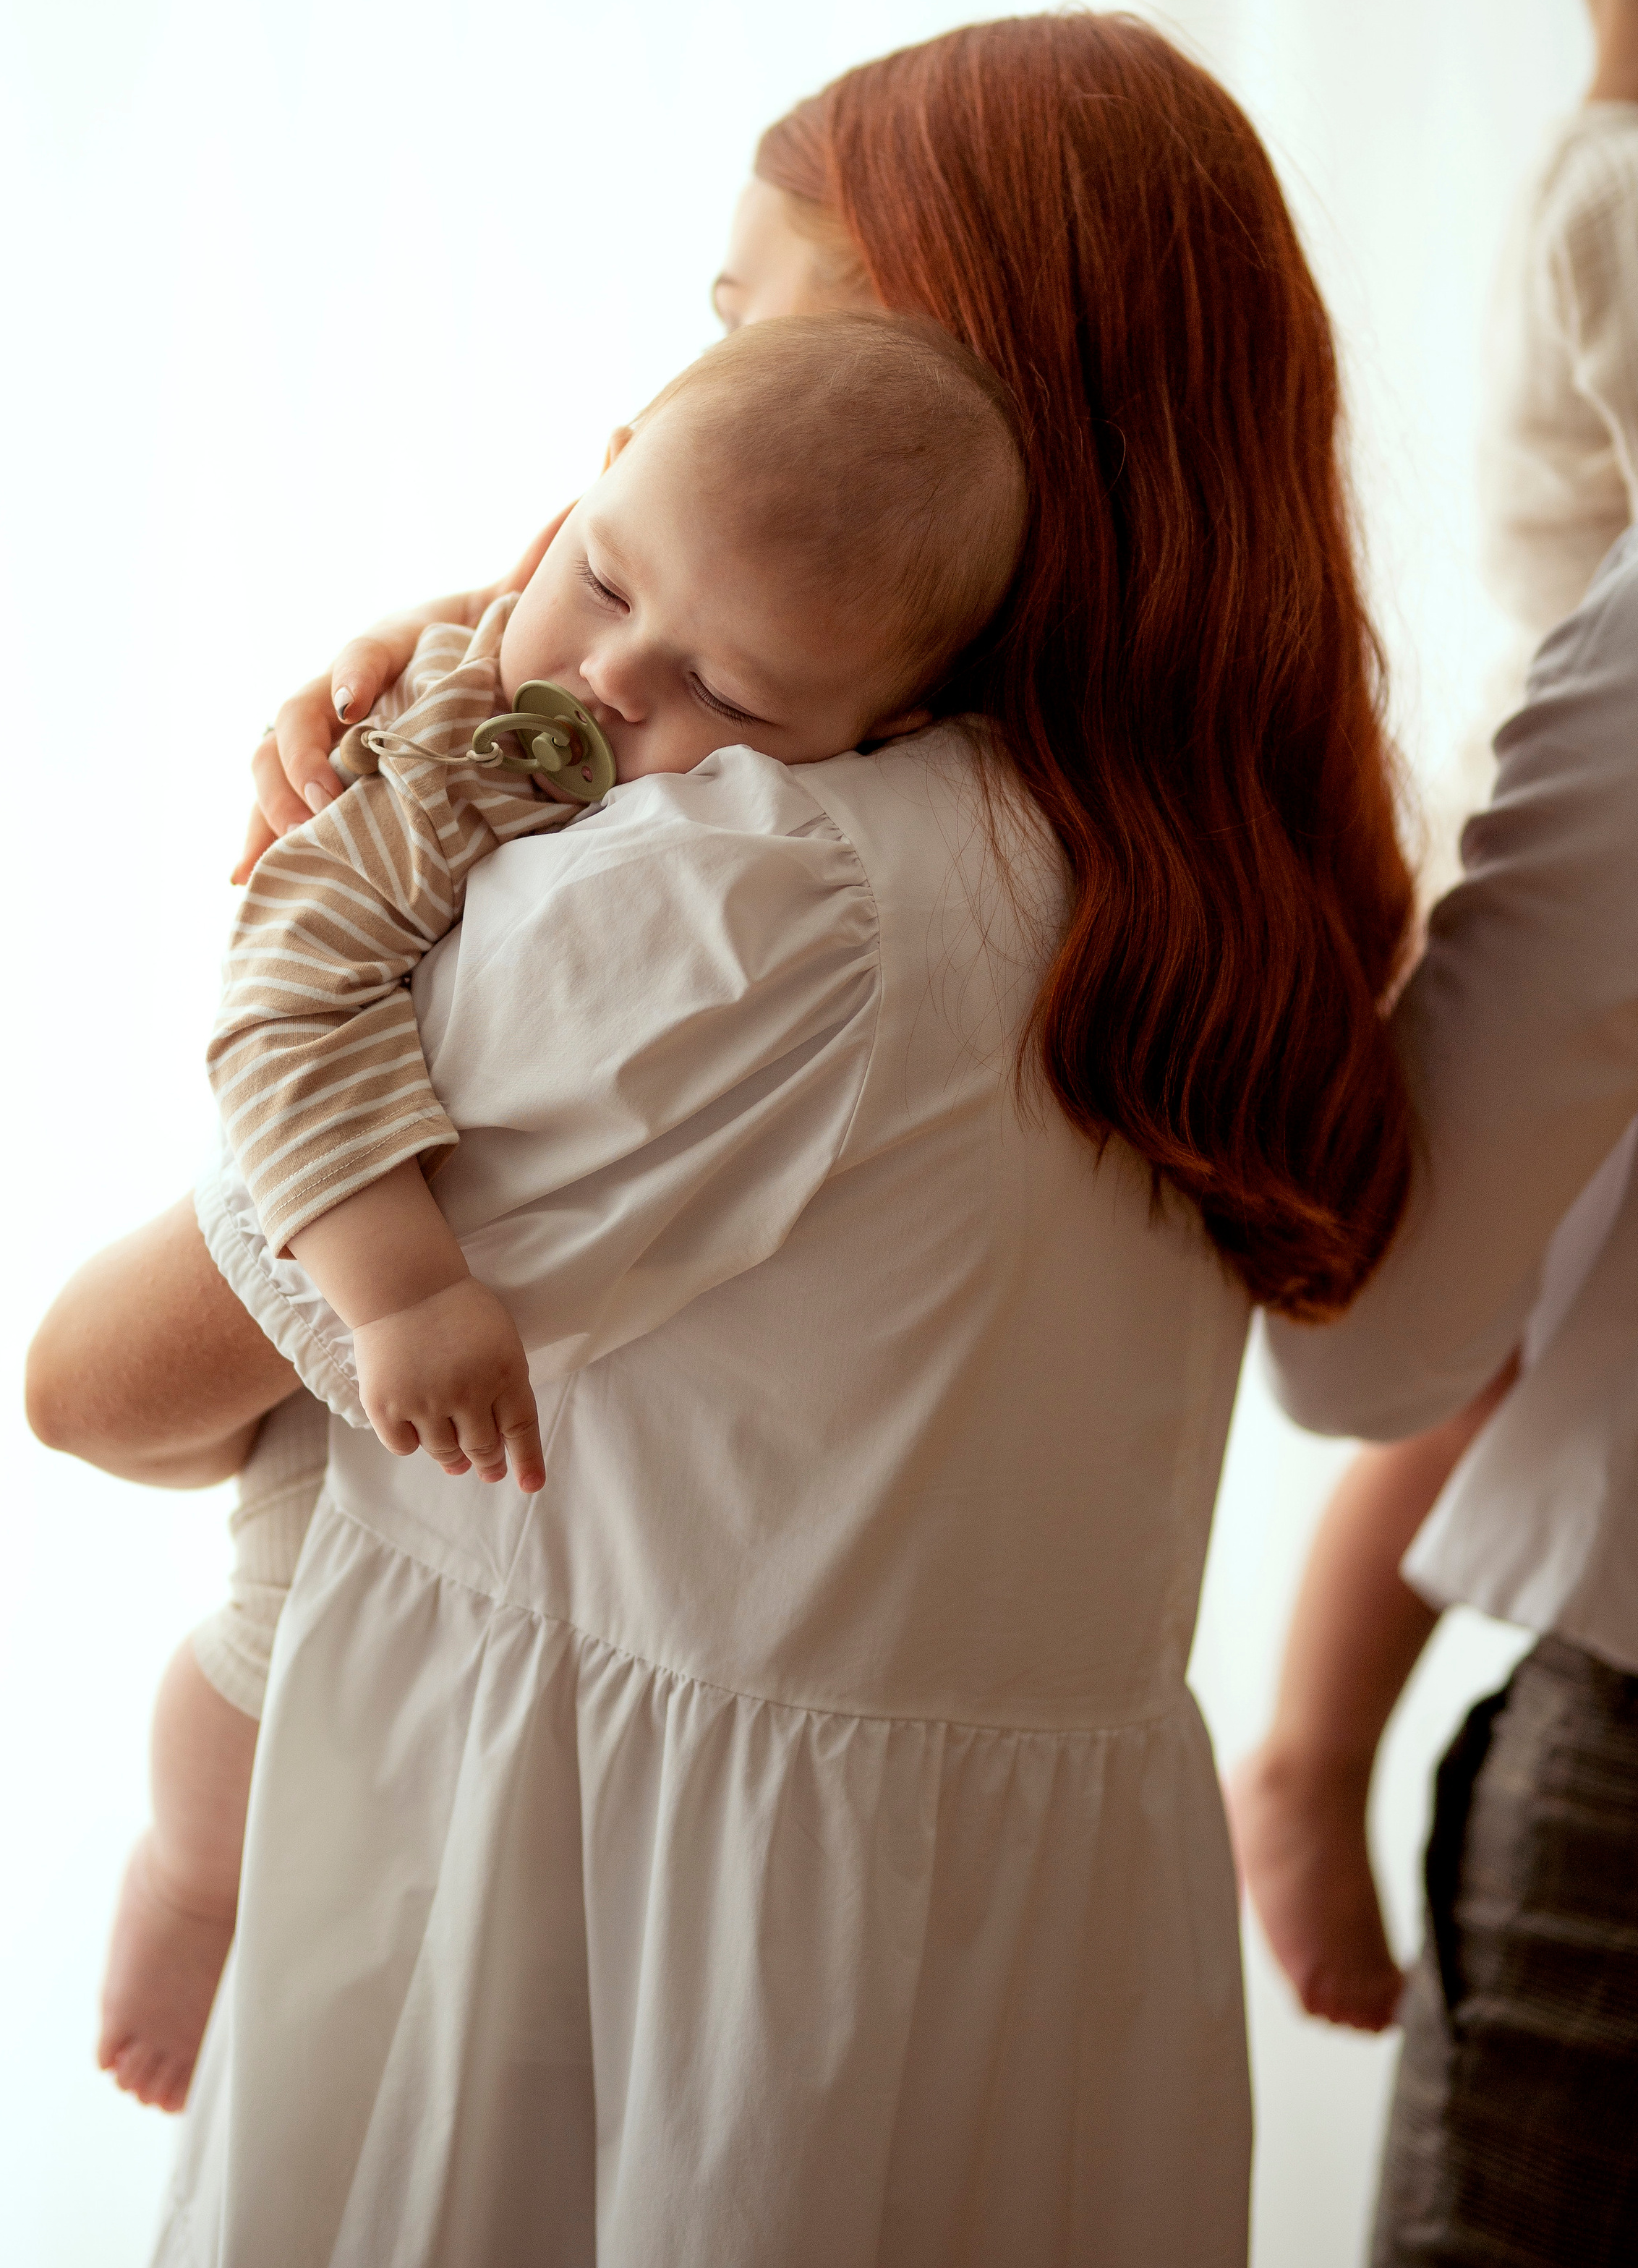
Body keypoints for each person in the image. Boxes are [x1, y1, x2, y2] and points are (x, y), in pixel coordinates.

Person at [28, 13, 1417, 2268]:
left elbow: (105, 1389)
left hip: (610, 2015)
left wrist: (404, 858)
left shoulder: (763, 907)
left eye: (755, 327)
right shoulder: (1212, 899)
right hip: (987, 2015)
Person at [69, 310, 1028, 2116]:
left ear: (885, 732)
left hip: (512, 1353)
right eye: (595, 580)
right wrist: (399, 1291)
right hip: (354, 1245)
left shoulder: (809, 834)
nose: (607, 685)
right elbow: (278, 993)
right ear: (572, 502)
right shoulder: (462, 743)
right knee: (263, 1648)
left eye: (727, 700)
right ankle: (182, 1883)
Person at [1233, 0, 1638, 2073]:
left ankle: (1308, 1735)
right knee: (1473, 1343)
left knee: (1513, 1348)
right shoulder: (1625, 198)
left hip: (1567, 768)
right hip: (1558, 769)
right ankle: (1303, 1736)